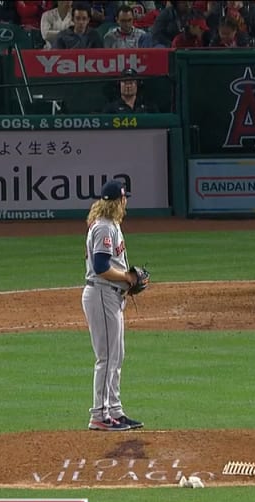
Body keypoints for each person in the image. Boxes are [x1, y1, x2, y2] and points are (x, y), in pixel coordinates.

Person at [83, 179, 144, 432]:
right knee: (107, 358)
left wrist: (126, 281)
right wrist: (128, 278)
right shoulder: (105, 228)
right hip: (101, 294)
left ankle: (115, 411)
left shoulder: (112, 225)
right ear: (119, 201)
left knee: (116, 356)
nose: (125, 201)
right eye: (124, 198)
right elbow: (101, 267)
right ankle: (99, 414)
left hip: (110, 296)